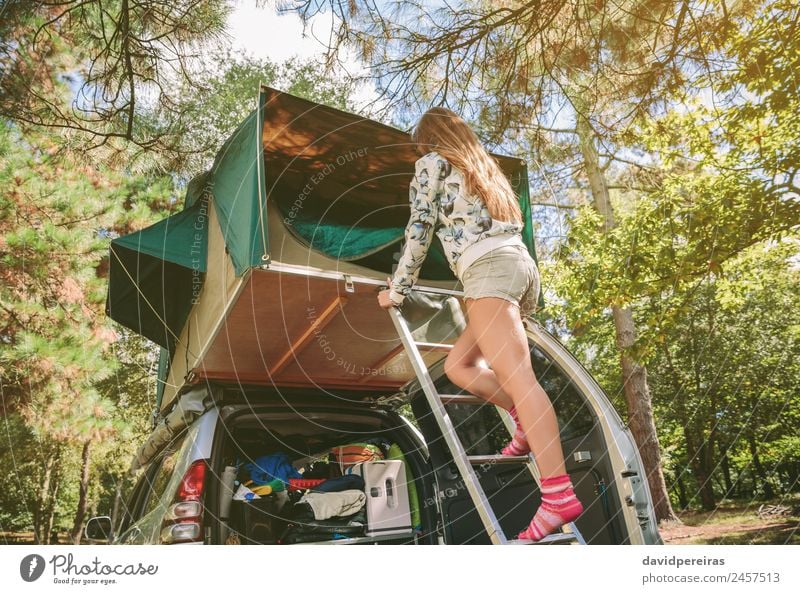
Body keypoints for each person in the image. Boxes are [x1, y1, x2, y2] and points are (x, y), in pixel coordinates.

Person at [377, 106, 584, 542]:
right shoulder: (484, 170)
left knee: (523, 382)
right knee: (459, 366)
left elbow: (420, 228)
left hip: (489, 272)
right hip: (518, 271)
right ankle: (523, 420)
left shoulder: (432, 164)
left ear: (429, 141)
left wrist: (397, 289)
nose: (422, 152)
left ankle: (557, 495)